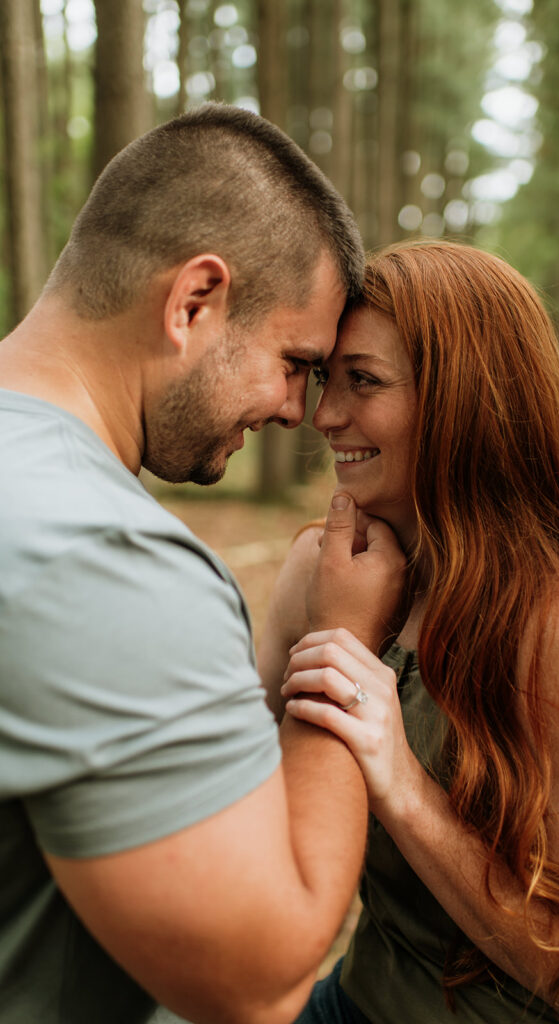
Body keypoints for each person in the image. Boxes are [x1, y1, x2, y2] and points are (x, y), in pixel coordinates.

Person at [0, 102, 407, 1024]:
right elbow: (257, 984)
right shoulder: (103, 557)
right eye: (294, 361)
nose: (299, 411)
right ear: (194, 302)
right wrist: (340, 642)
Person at [258, 240, 559, 1024]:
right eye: (325, 379)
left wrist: (399, 780)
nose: (324, 416)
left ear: (462, 399)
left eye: (363, 381)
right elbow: (236, 805)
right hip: (351, 1004)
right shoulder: (320, 573)